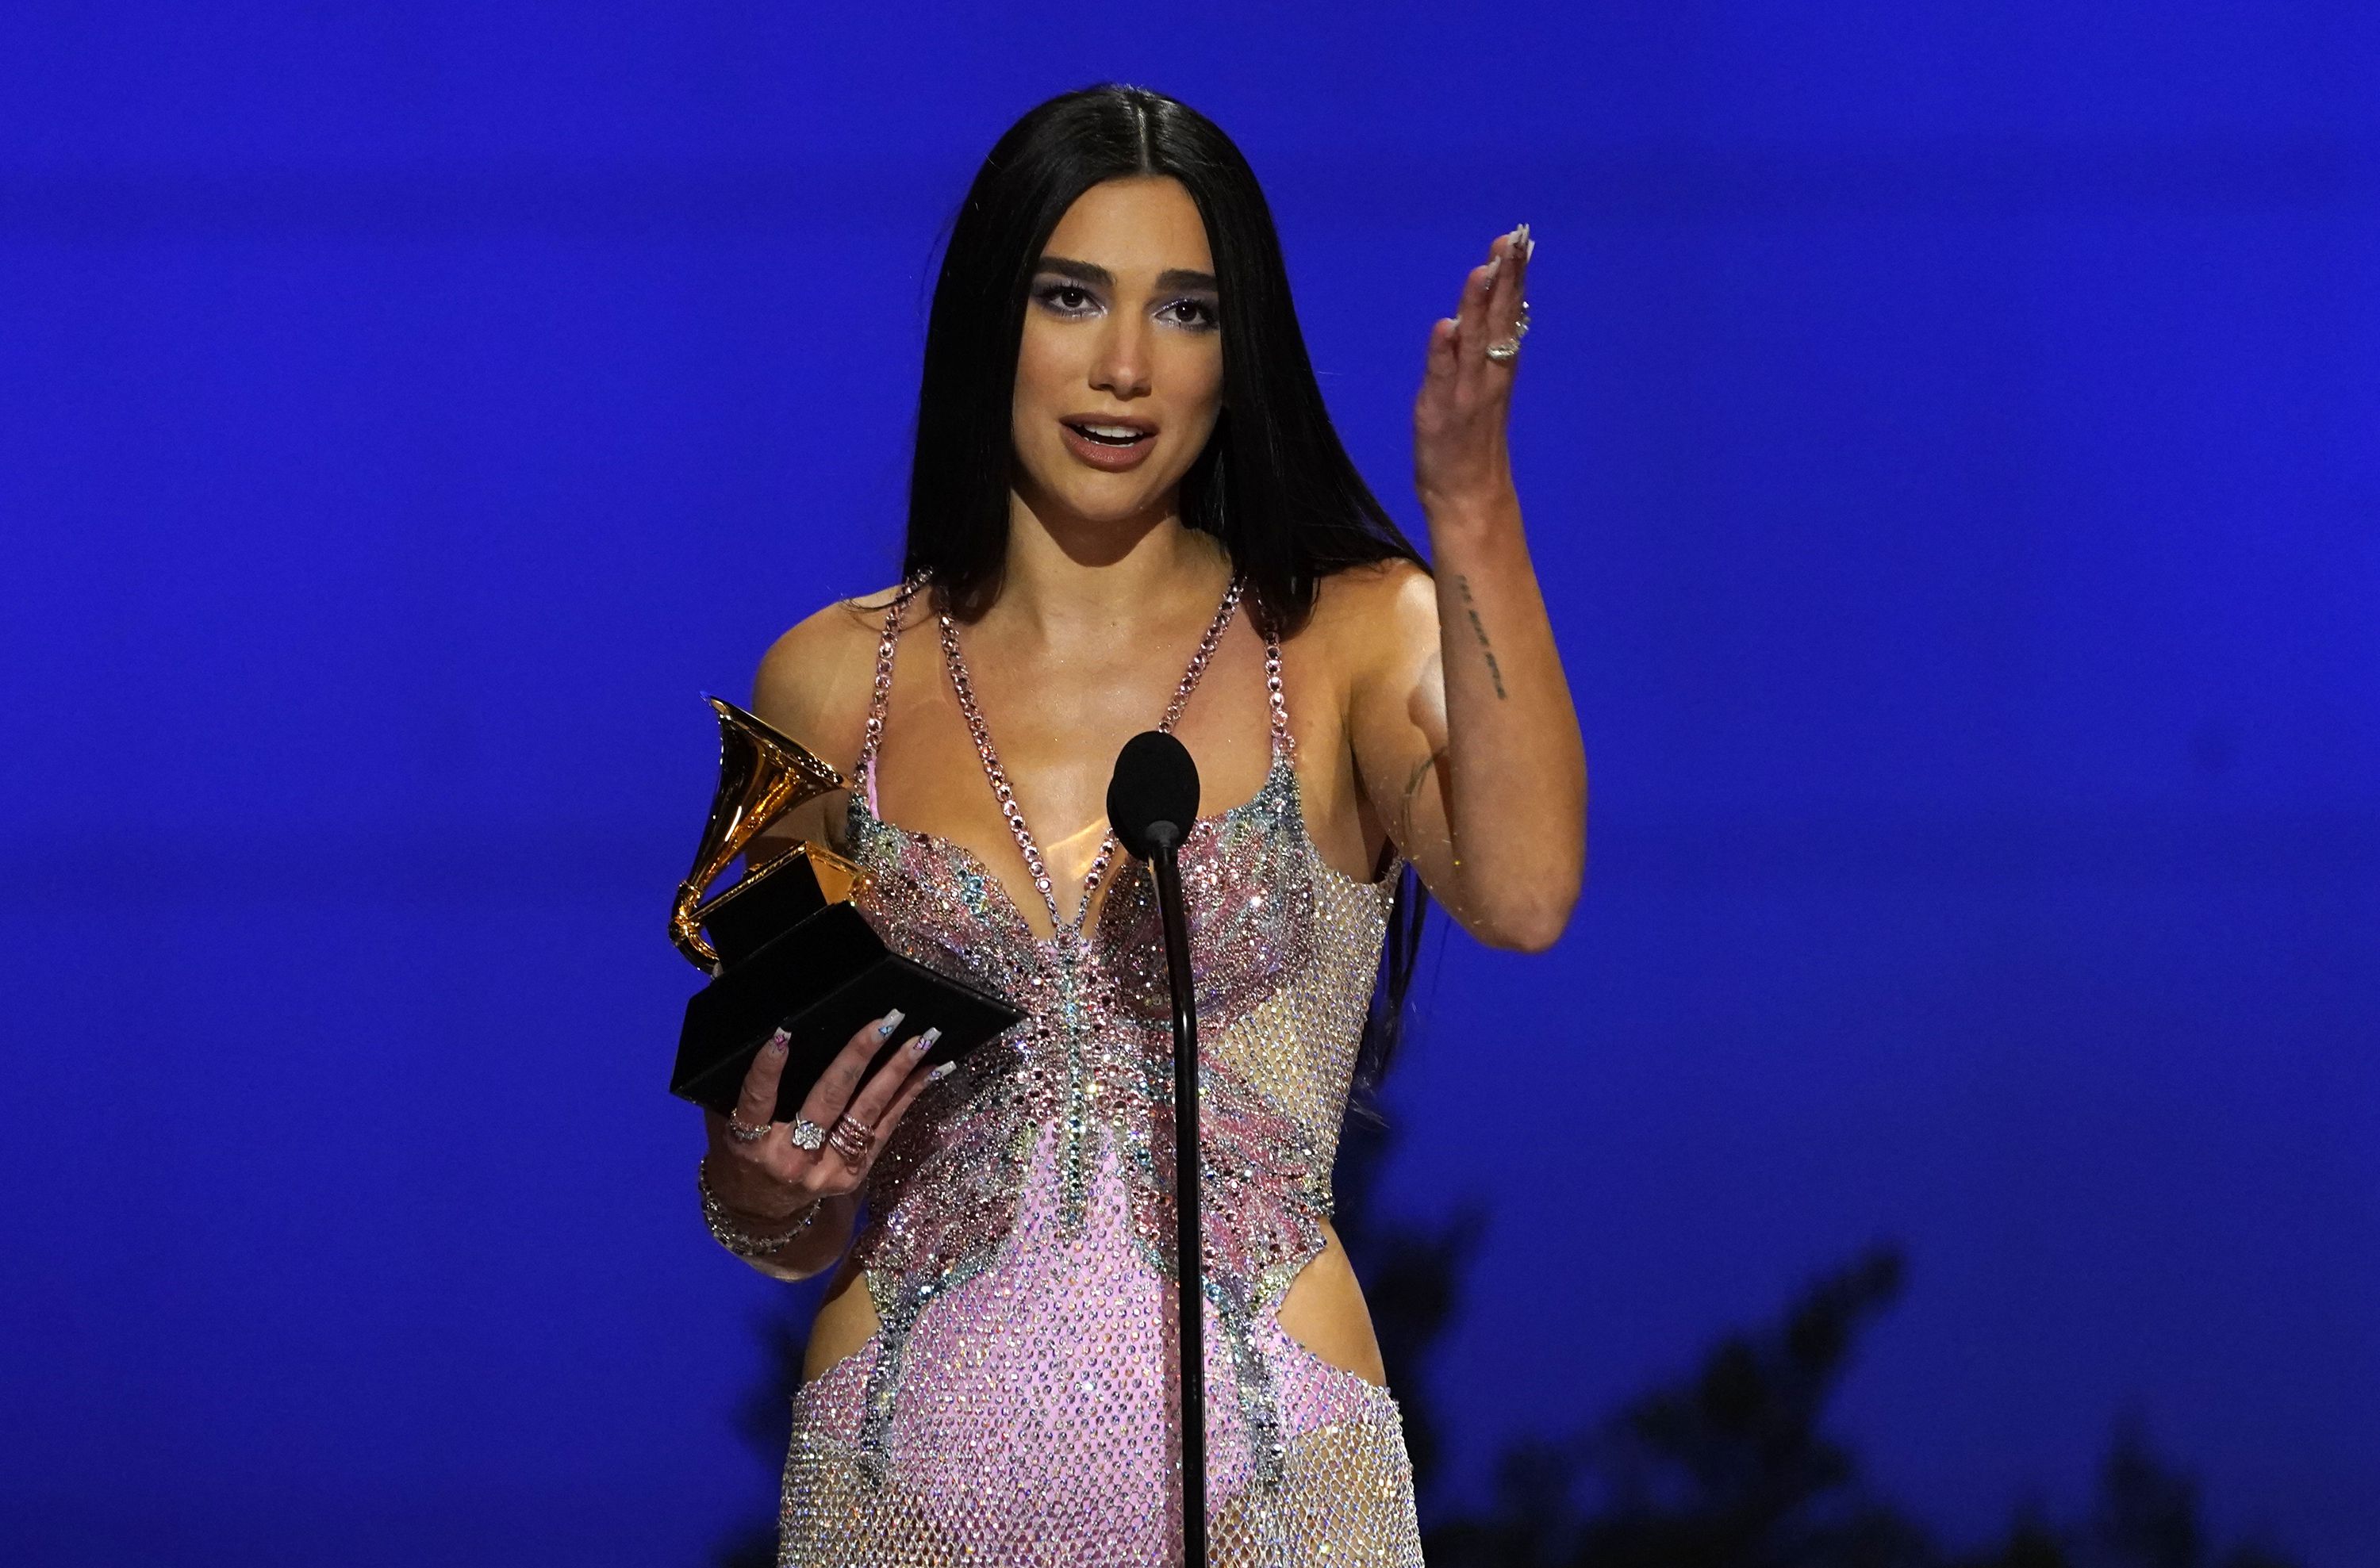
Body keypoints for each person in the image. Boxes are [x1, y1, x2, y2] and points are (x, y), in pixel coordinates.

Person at [693, 84, 1586, 1566]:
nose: (1124, 368)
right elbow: (768, 1210)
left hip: (1280, 1496)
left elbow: (1530, 891)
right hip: (896, 1497)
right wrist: (760, 1183)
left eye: (1185, 311)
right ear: (993, 320)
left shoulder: (1353, 636)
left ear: (1240, 356)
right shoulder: (832, 678)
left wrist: (1471, 506)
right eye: (1071, 298)